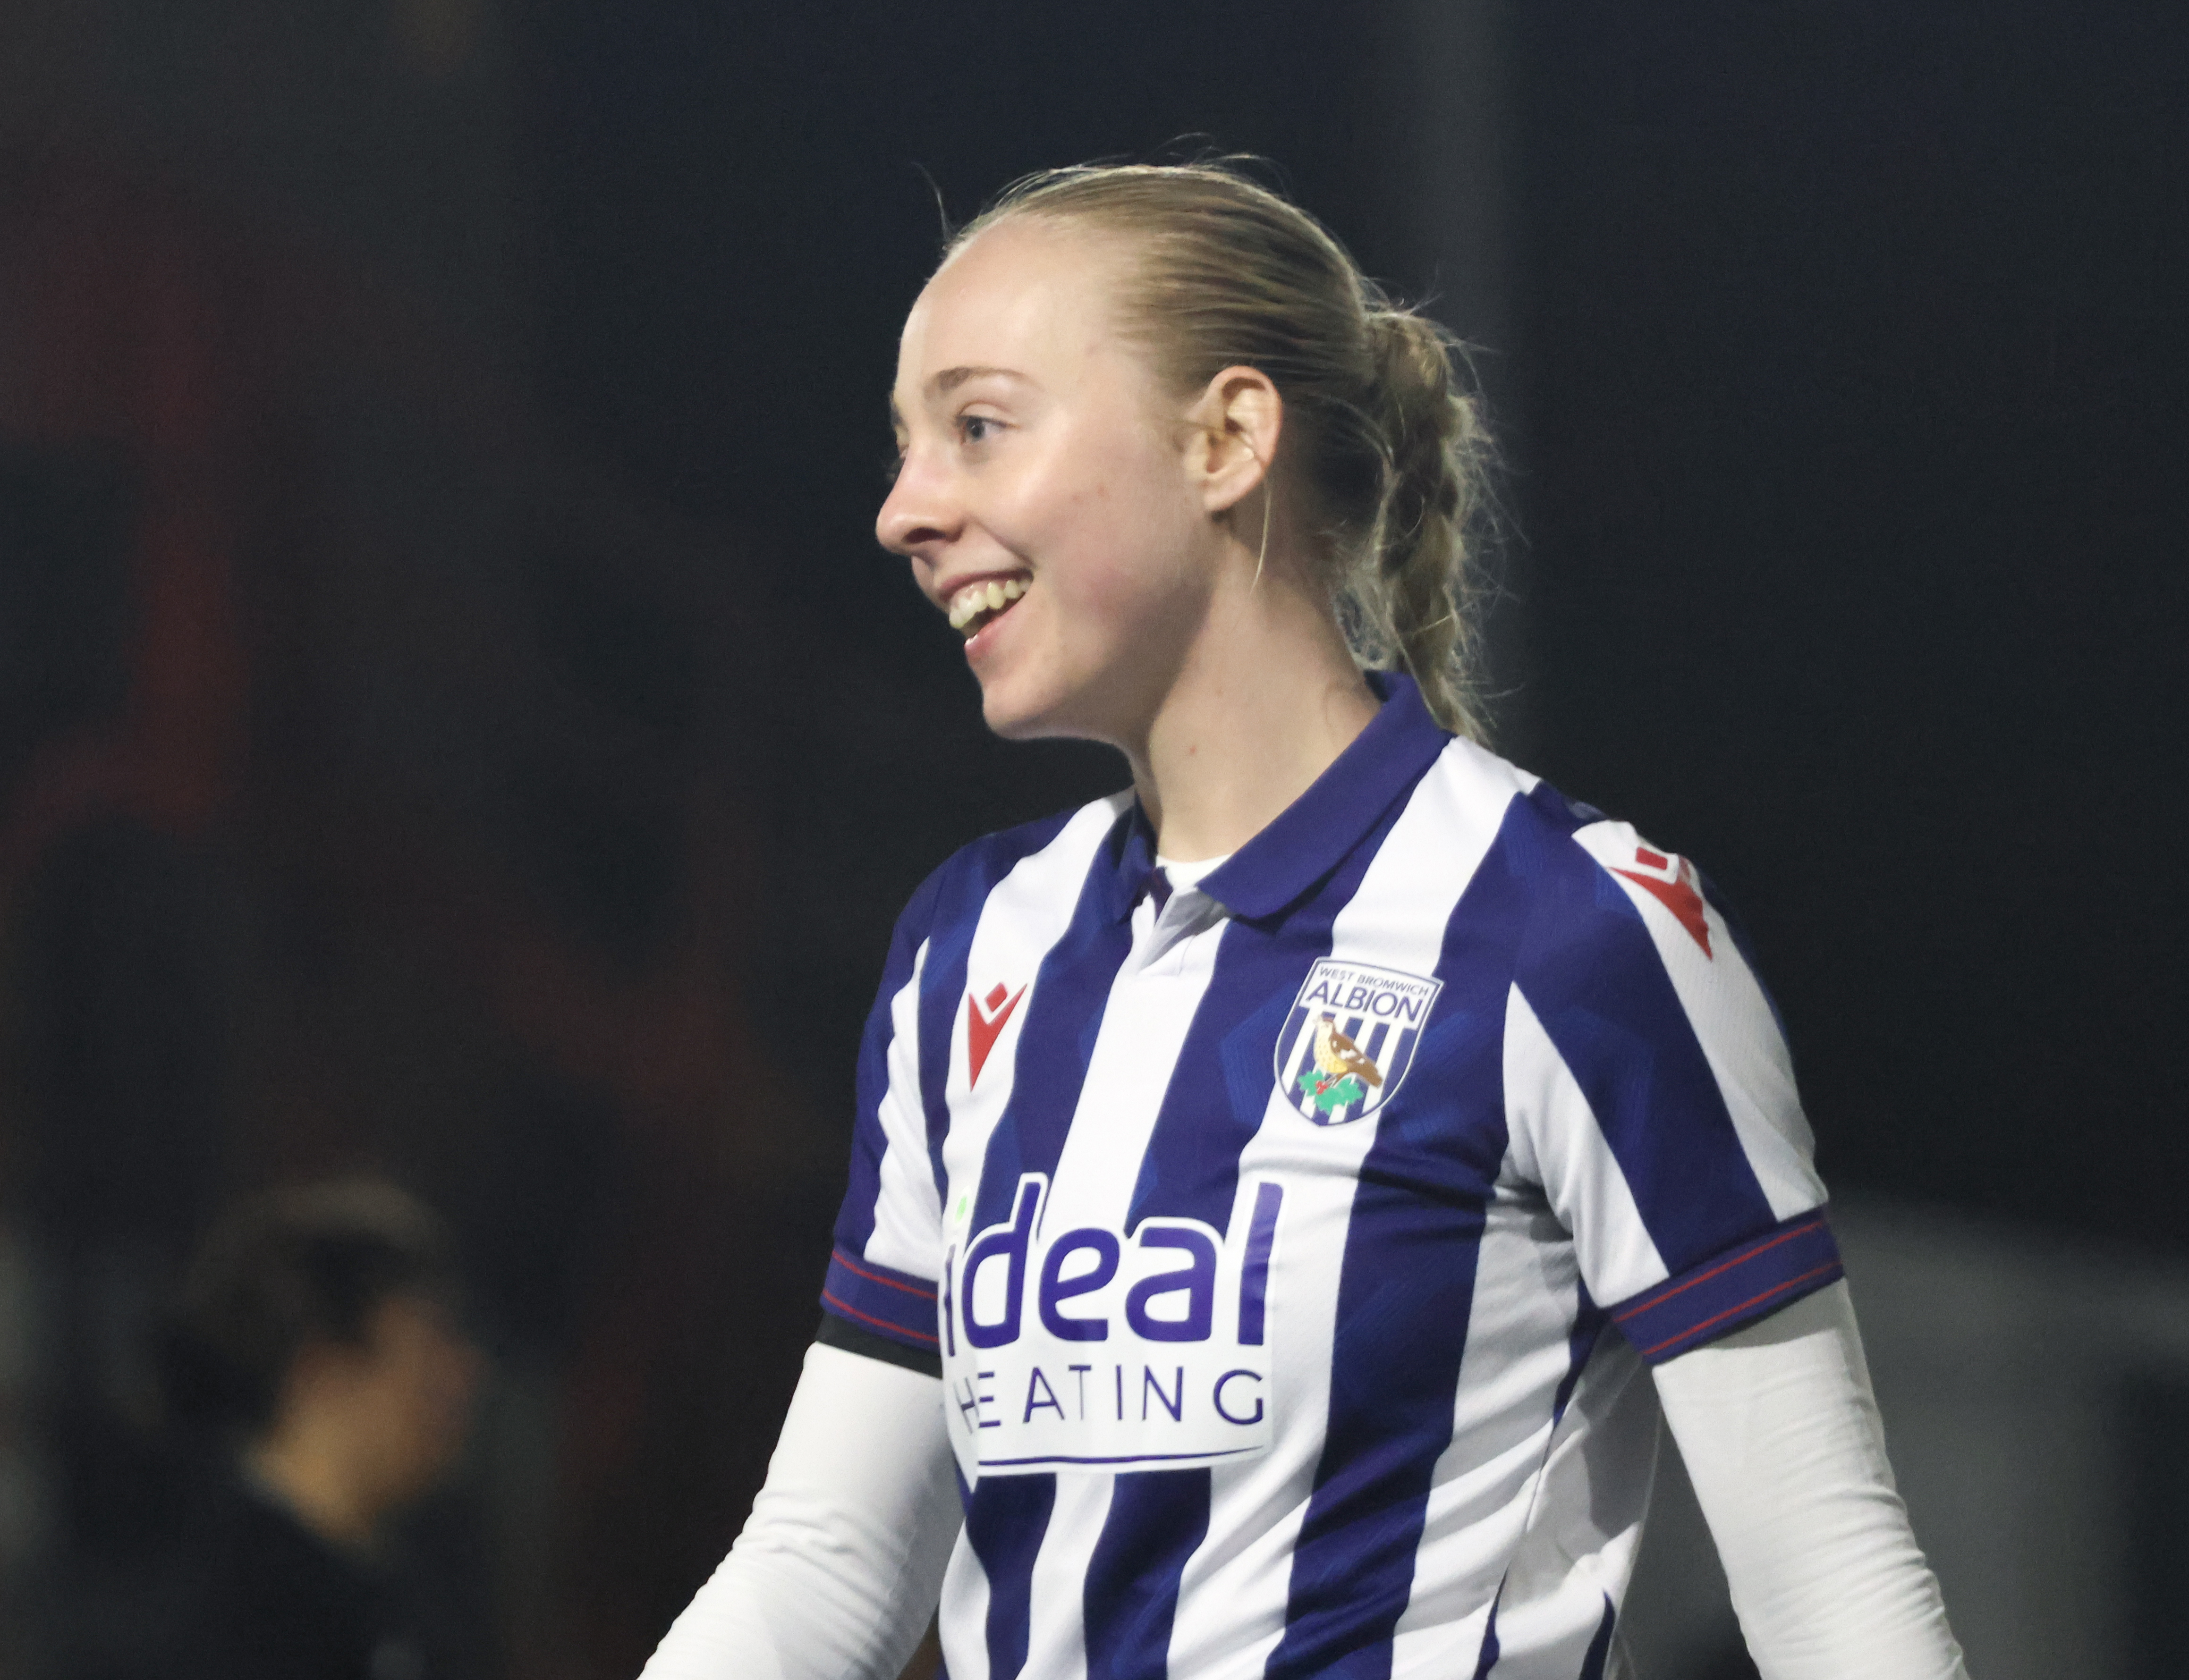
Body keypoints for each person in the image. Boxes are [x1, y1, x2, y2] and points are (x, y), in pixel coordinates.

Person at [640, 163, 1968, 1680]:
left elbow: (1828, 1585)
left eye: (978, 426)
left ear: (1227, 438)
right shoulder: (972, 946)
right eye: (905, 448)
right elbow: (822, 1570)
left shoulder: (1568, 929)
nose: (904, 510)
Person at [155, 1179, 484, 1680]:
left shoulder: (388, 1584)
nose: (466, 1372)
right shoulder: (244, 1614)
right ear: (322, 1373)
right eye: (431, 1344)